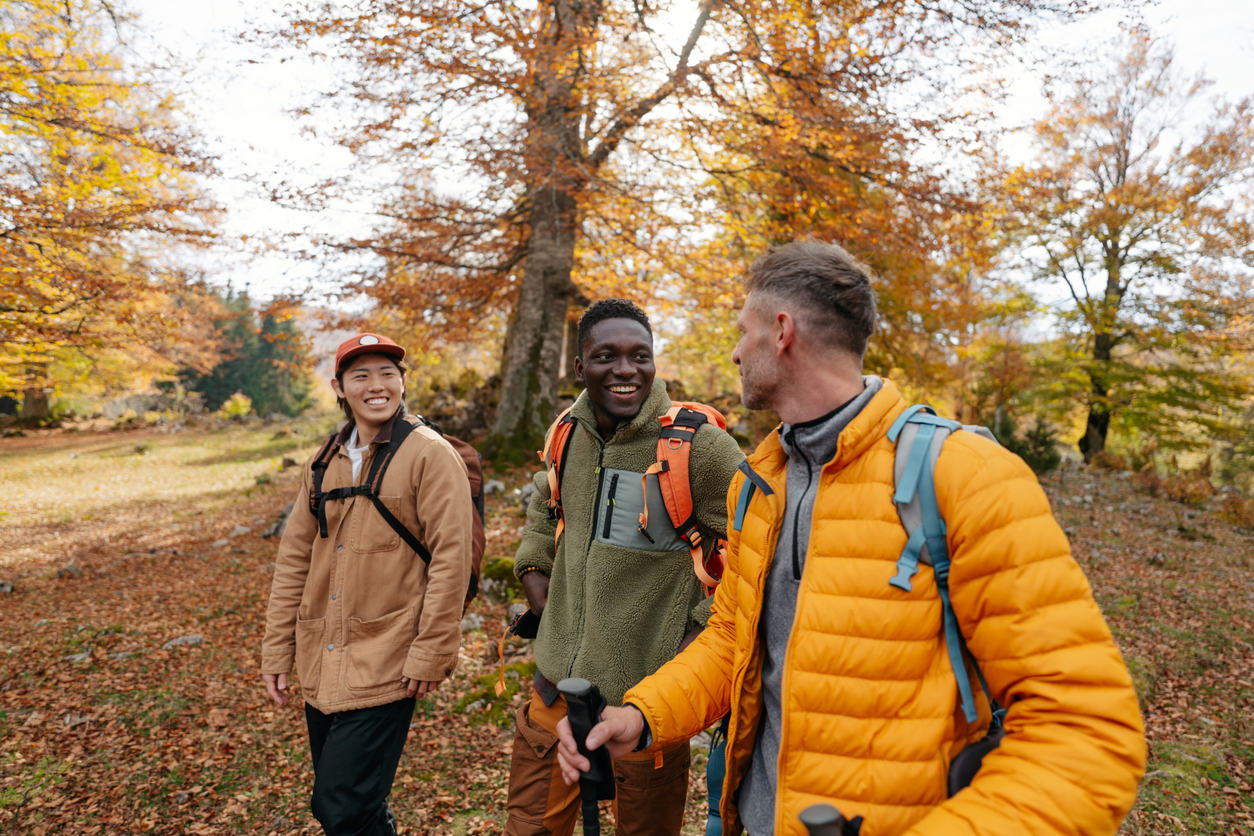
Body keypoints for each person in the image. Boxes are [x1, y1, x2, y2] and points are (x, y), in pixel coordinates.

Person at [555, 242, 1147, 835]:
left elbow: (1088, 731)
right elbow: (732, 637)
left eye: (744, 331)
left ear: (781, 332)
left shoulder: (964, 475)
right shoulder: (761, 485)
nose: (736, 352)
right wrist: (643, 715)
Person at [504, 298, 746, 836]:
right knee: (529, 828)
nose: (625, 370)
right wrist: (534, 568)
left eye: (640, 356)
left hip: (648, 705)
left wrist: (701, 634)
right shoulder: (569, 433)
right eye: (606, 356)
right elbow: (546, 502)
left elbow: (754, 550)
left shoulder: (699, 448)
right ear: (580, 366)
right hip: (556, 691)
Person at [261, 333, 475, 836]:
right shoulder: (325, 461)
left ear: (403, 382)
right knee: (355, 805)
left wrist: (432, 649)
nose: (376, 385)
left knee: (339, 806)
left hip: (388, 658)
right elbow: (294, 559)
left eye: (388, 374)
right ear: (339, 387)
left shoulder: (428, 454)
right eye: (361, 375)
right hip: (322, 655)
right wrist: (277, 650)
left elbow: (452, 558)